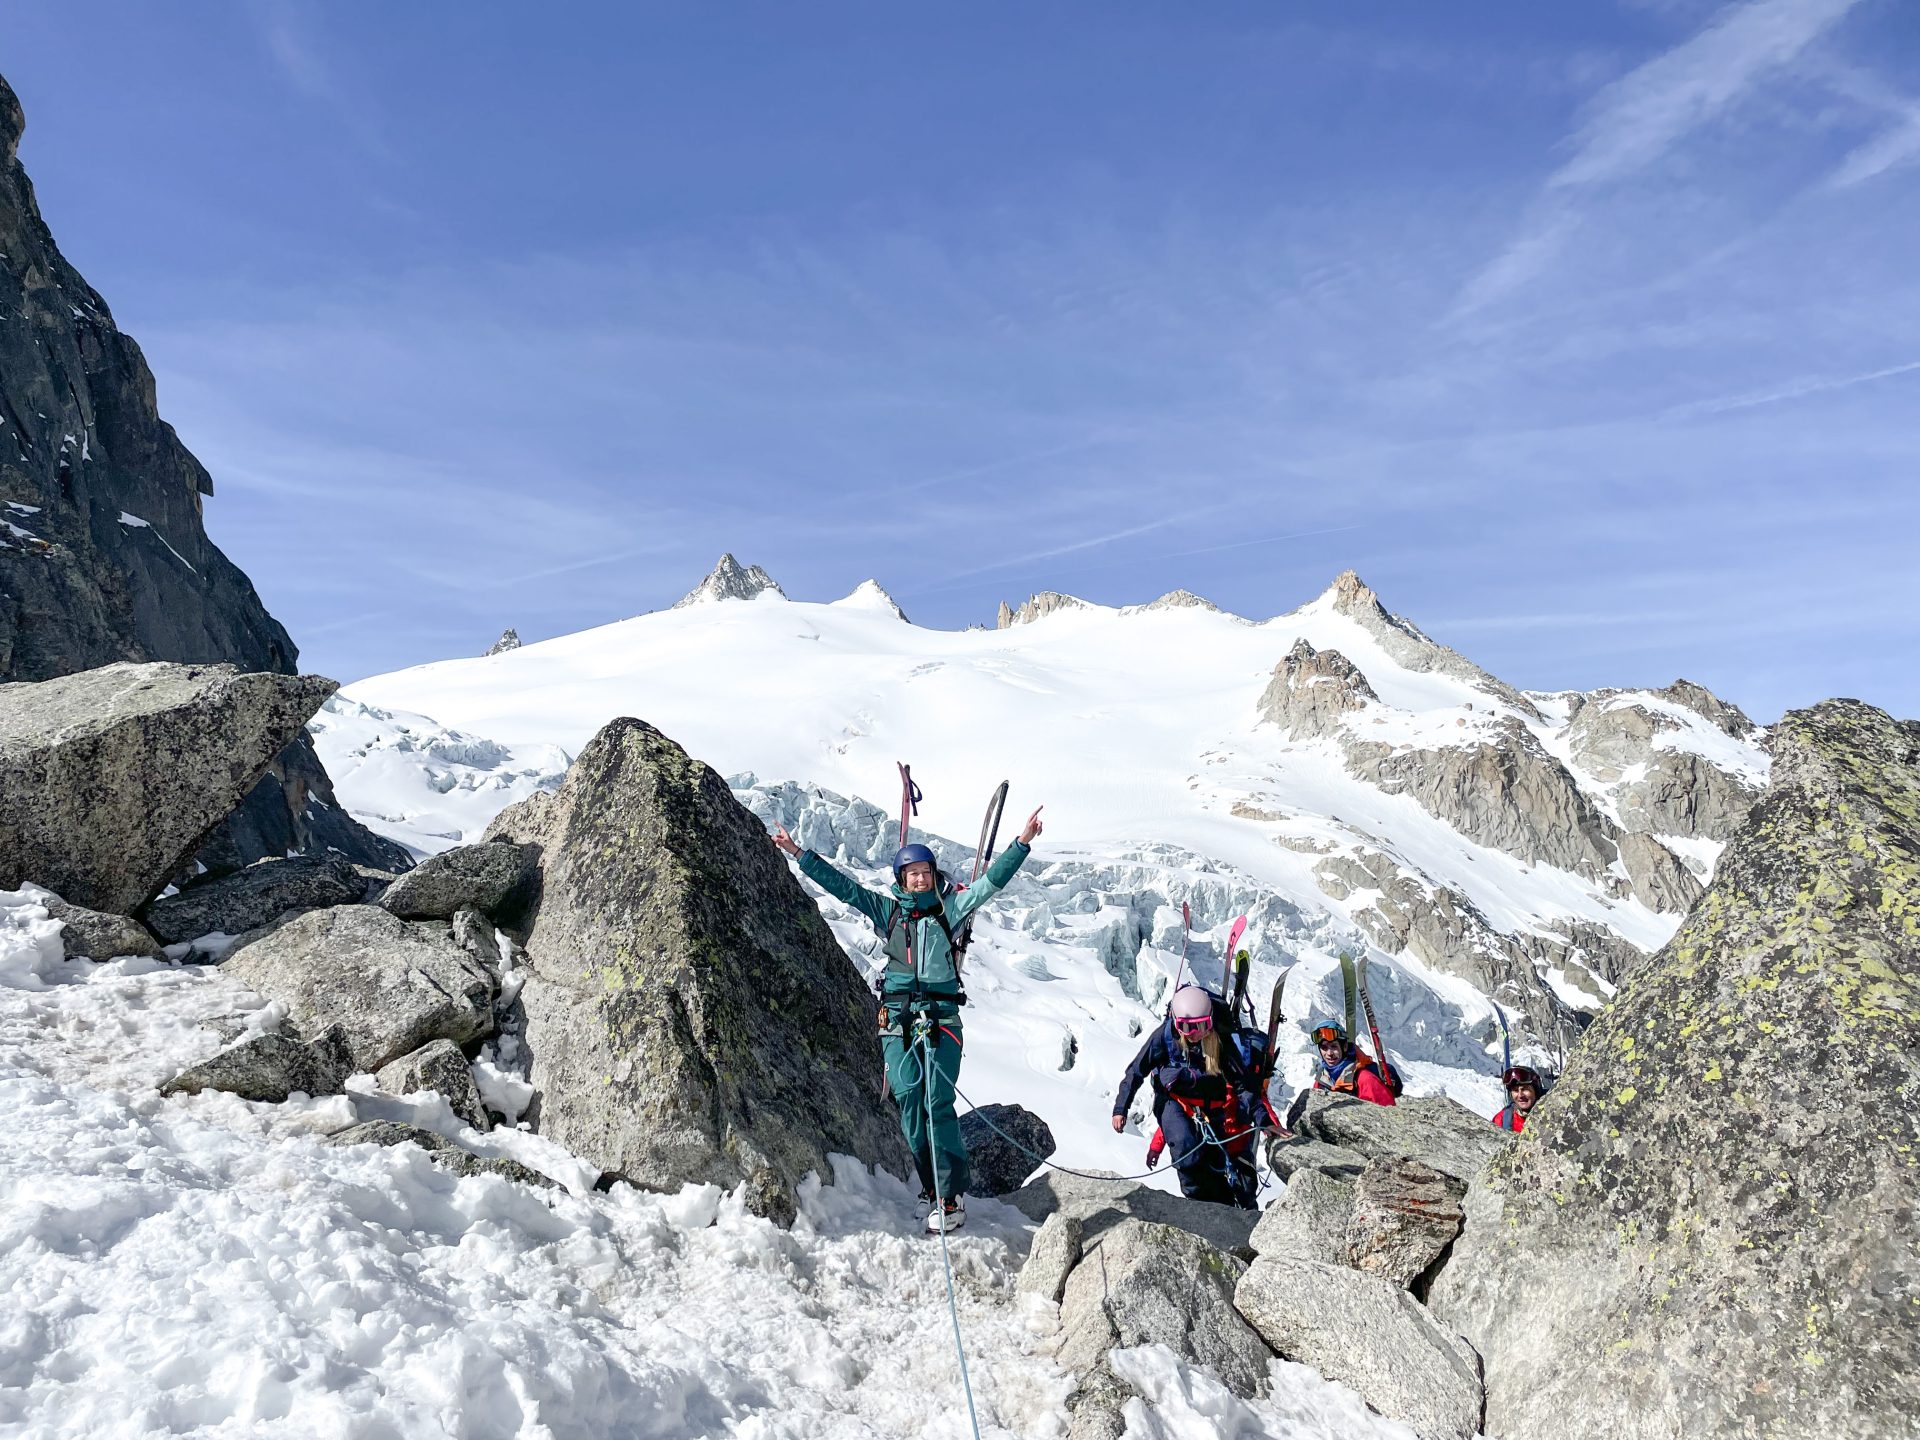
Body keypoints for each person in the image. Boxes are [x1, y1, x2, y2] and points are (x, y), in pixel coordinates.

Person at [772, 806, 1044, 1234]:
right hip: (896, 1018)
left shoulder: (949, 910)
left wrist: (1021, 843)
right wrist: (797, 853)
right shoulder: (890, 912)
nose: (919, 878)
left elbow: (990, 884)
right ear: (902, 880)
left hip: (941, 1018)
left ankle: (950, 1196)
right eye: (911, 873)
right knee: (911, 1104)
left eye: (924, 872)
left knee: (937, 1102)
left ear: (934, 876)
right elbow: (845, 889)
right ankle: (930, 1187)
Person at [1112, 985, 1261, 1209]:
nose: (1193, 1034)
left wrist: (1263, 1119)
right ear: (1175, 1022)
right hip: (1174, 1102)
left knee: (1214, 1163)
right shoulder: (1165, 1037)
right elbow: (1136, 1070)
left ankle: (1223, 1209)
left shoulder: (1220, 1041)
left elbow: (1242, 1085)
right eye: (1185, 1027)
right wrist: (1120, 1108)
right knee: (1187, 1151)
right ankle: (1199, 1207)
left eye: (1200, 1026)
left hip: (1209, 1109)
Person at [1308, 1021, 1397, 1107]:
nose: (1329, 1053)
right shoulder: (1321, 1081)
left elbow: (1387, 1116)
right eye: (1324, 1048)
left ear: (1345, 1047)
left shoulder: (1365, 1080)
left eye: (1334, 1046)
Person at [1493, 1065, 1541, 1132]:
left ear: (1536, 1091)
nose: (1520, 1095)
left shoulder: (1552, 1113)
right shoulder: (1501, 1120)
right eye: (1515, 1090)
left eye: (1525, 1089)